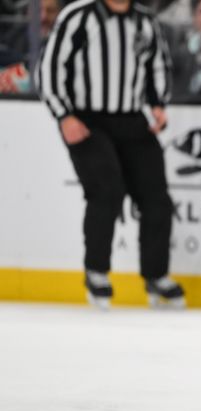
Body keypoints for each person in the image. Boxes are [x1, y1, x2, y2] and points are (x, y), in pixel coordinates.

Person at [37, 0, 185, 309]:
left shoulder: (144, 21)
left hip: (131, 118)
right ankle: (97, 271)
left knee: (156, 197)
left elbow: (156, 65)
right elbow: (50, 66)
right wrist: (64, 115)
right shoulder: (78, 16)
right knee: (106, 190)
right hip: (86, 119)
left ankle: (156, 275)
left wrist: (157, 104)